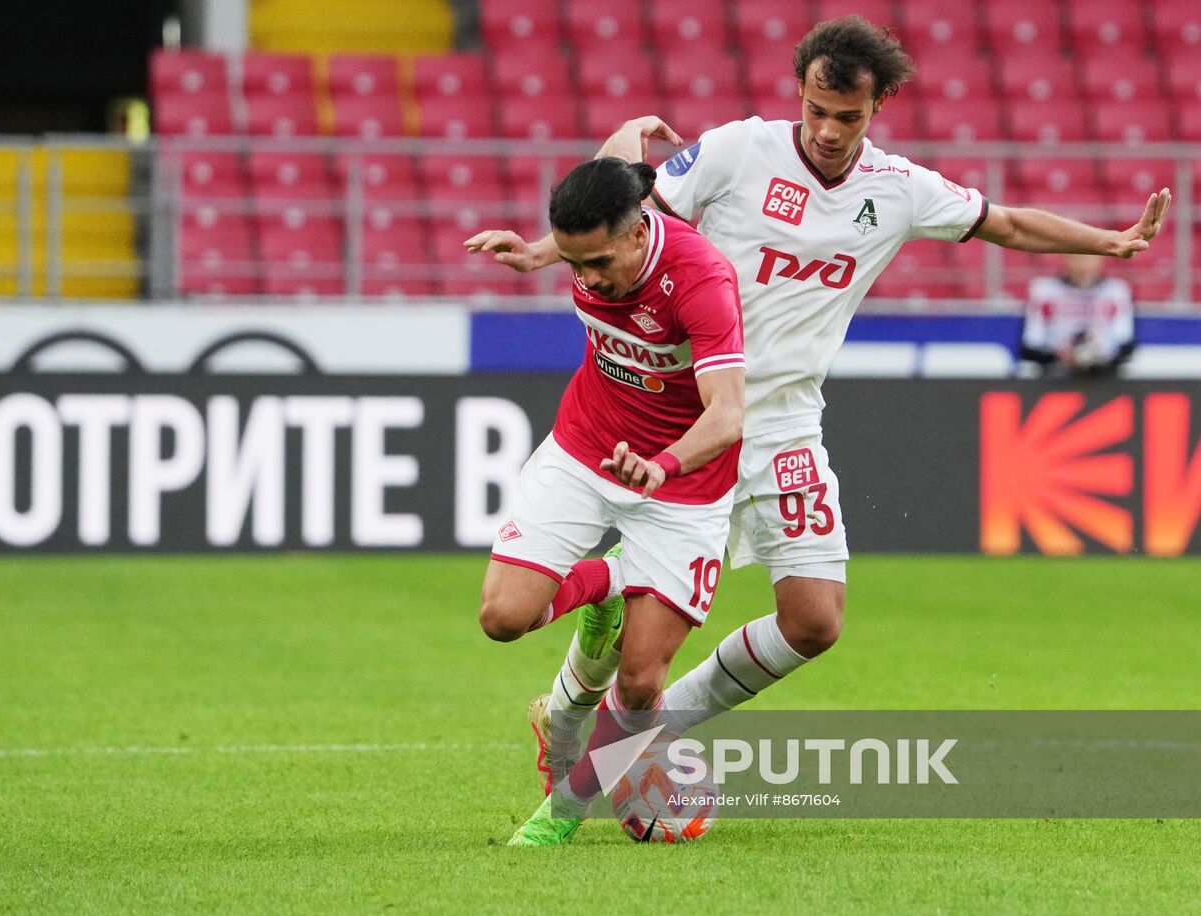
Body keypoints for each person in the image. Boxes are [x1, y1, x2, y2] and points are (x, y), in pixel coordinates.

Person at [465, 15, 1172, 838]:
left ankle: (638, 727)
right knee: (639, 629)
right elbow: (630, 216)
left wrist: (1112, 243)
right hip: (690, 417)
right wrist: (541, 253)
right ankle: (589, 727)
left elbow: (1004, 223)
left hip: (786, 423)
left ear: (880, 108)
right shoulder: (736, 152)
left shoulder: (899, 189)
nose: (830, 132)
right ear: (797, 92)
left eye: (849, 117)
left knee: (814, 622)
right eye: (817, 111)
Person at [471, 156, 746, 846]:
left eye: (594, 262)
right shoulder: (600, 236)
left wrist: (664, 463)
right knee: (503, 618)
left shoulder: (701, 279)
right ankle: (608, 590)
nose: (586, 279)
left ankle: (560, 814)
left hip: (681, 481)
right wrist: (537, 256)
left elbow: (728, 414)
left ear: (635, 234)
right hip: (585, 447)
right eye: (573, 263)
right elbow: (624, 150)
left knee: (641, 683)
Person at [1019, 253, 1136, 377]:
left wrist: (1101, 355)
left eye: (1088, 258)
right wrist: (1059, 354)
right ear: (1065, 258)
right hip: (1056, 374)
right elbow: (1030, 344)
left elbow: (1125, 343)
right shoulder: (1044, 290)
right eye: (1077, 258)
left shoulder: (1116, 290)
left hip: (1104, 374)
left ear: (1100, 259)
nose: (1083, 265)